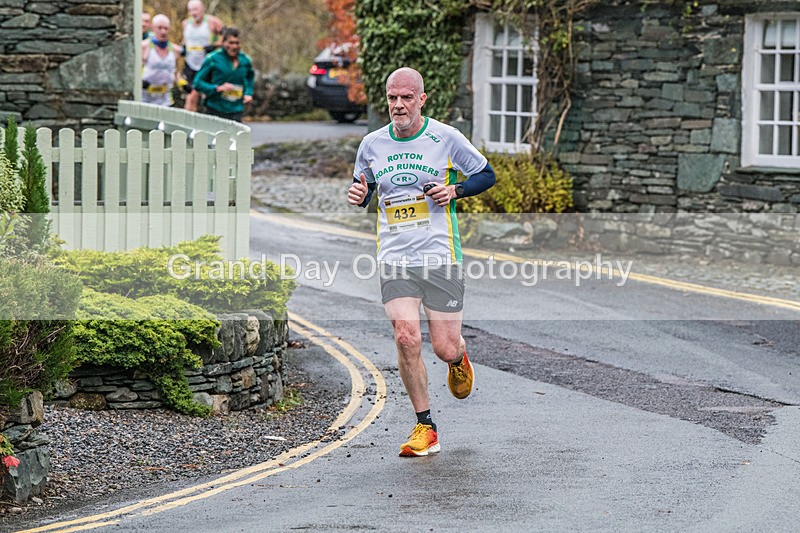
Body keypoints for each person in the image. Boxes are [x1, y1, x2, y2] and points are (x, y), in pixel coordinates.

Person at [347, 67, 496, 457]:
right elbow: (366, 190)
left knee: (443, 347)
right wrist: (360, 194)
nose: (398, 105)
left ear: (421, 100)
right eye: (392, 98)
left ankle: (458, 357)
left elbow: (487, 174)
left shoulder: (445, 138)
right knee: (406, 336)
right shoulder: (372, 144)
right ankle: (425, 426)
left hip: (439, 254)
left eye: (407, 98)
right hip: (395, 256)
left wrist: (455, 189)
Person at [192, 27, 254, 122]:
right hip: (215, 109)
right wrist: (217, 88)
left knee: (236, 137)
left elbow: (250, 77)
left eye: (237, 43)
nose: (234, 46)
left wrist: (248, 93)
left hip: (236, 110)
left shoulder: (246, 60)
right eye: (230, 42)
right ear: (223, 43)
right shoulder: (212, 59)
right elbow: (197, 83)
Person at [181, 0, 224, 112]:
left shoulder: (213, 22)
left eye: (196, 9)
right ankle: (188, 125)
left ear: (202, 9)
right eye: (190, 10)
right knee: (191, 96)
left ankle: (209, 121)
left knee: (207, 96)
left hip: (208, 65)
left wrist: (214, 45)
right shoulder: (185, 24)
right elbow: (185, 40)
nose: (193, 13)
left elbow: (228, 38)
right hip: (191, 64)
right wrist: (183, 47)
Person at [141, 14, 182, 107]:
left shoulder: (175, 50)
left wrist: (183, 84)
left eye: (166, 28)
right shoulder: (144, 46)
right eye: (159, 28)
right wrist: (140, 82)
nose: (163, 32)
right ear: (153, 28)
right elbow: (132, 70)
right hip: (145, 99)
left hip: (165, 100)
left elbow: (176, 72)